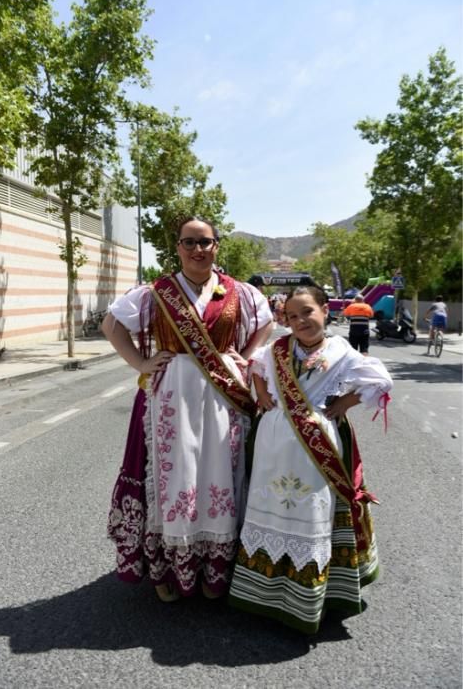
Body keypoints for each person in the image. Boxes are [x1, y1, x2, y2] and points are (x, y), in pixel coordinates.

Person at [102, 216, 273, 602]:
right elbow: (112, 325)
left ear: (217, 246)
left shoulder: (238, 292)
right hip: (168, 396)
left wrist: (244, 357)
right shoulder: (154, 292)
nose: (198, 249)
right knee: (172, 477)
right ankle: (164, 568)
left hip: (221, 398)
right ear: (177, 247)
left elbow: (266, 323)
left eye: (205, 242)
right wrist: (141, 364)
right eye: (189, 242)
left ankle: (214, 571)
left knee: (217, 474)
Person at [228, 285, 392, 634]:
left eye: (307, 312)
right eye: (292, 315)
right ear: (284, 320)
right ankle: (263, 592)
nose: (300, 320)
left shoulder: (341, 351)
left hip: (317, 445)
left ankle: (310, 596)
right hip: (273, 442)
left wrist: (347, 402)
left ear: (325, 311)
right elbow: (254, 363)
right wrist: (260, 391)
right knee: (271, 508)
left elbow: (379, 378)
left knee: (312, 512)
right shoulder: (278, 349)